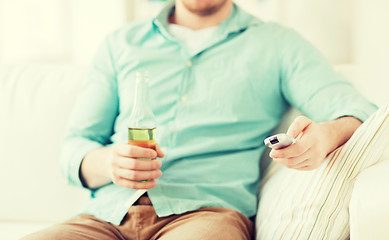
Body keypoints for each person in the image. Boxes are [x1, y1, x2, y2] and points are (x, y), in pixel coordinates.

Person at [22, 0, 377, 239]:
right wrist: (107, 163)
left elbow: (358, 111)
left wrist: (326, 136)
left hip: (207, 217)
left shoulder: (278, 44)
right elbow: (74, 147)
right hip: (106, 217)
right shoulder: (121, 44)